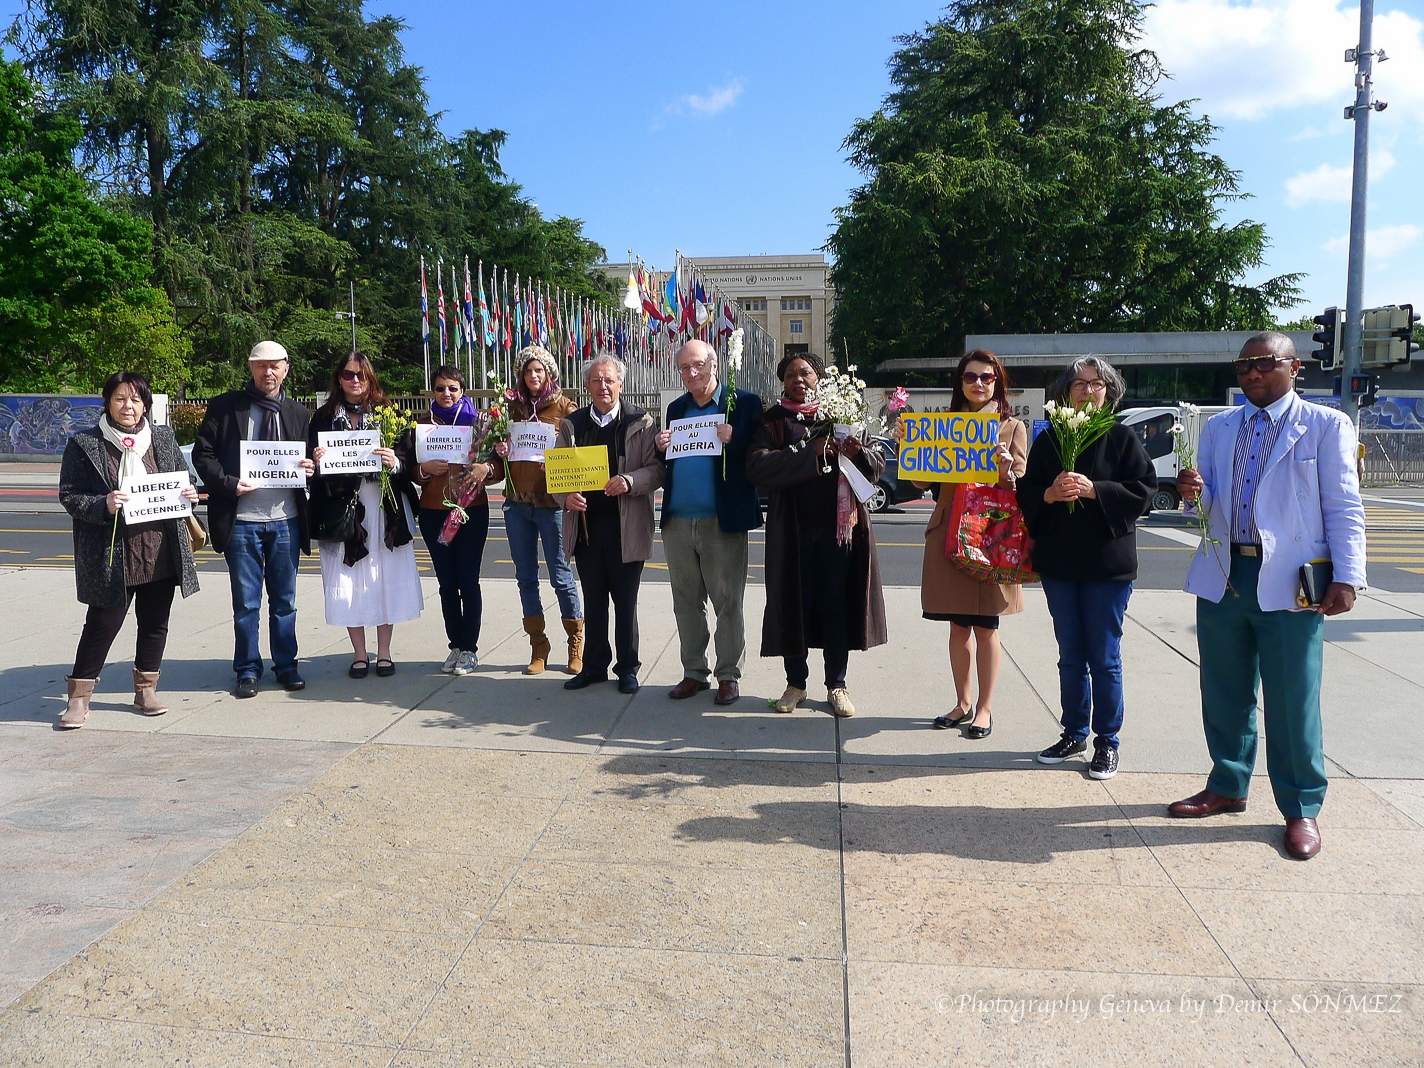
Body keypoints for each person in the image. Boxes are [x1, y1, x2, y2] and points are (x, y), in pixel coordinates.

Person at [1171, 332, 1366, 860]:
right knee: (1224, 690)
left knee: (1291, 697)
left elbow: (1344, 505)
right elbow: (1204, 507)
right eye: (1244, 366)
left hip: (1292, 579)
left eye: (1264, 363)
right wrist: (1192, 493)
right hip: (1225, 572)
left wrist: (1348, 576)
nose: (1253, 373)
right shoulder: (1220, 427)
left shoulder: (1326, 425)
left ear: (1294, 367)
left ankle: (1301, 807)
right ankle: (1229, 784)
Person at [1018, 356, 1156, 779]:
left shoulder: (1121, 437)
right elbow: (1027, 492)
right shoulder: (1051, 439)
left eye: (1097, 384)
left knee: (1104, 657)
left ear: (1109, 392)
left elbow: (1145, 491)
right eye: (1079, 384)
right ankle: (1074, 730)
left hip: (1106, 568)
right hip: (1061, 565)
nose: (1088, 390)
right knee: (1070, 655)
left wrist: (1096, 490)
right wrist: (1049, 495)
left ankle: (1107, 741)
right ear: (1065, 392)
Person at [57, 372, 202, 727]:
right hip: (113, 555)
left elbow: (182, 482)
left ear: (145, 406)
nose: (128, 406)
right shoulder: (84, 444)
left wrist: (190, 496)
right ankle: (79, 698)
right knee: (101, 626)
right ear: (107, 402)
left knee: (155, 624)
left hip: (160, 549)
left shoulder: (163, 438)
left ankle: (146, 689)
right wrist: (102, 504)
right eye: (121, 398)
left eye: (136, 400)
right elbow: (69, 494)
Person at [747, 352, 887, 717]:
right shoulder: (772, 422)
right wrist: (811, 452)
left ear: (819, 378)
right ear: (783, 382)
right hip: (792, 535)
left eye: (806, 372)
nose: (799, 379)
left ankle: (836, 685)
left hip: (840, 535)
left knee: (835, 607)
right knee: (794, 605)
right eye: (791, 374)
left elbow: (876, 465)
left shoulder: (842, 416)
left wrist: (857, 452)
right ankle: (796, 684)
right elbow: (758, 467)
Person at [192, 340, 315, 698]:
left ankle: (286, 666)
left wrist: (310, 467)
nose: (269, 372)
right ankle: (247, 669)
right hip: (241, 520)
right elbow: (203, 456)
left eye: (276, 365)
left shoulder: (297, 413)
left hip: (286, 519)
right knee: (246, 603)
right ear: (250, 368)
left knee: (285, 601)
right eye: (262, 366)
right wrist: (229, 484)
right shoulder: (225, 407)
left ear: (286, 368)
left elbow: (307, 461)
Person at [915, 351, 1027, 739]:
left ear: (998, 382)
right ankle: (962, 703)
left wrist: (1004, 468)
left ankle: (985, 707)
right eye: (970, 377)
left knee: (985, 627)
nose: (978, 383)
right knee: (957, 626)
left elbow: (1018, 486)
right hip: (949, 531)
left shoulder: (1011, 427)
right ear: (959, 382)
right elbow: (919, 483)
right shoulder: (942, 425)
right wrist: (908, 447)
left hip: (989, 536)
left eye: (987, 377)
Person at [653, 340, 765, 706]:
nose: (691, 373)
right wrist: (660, 444)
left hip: (722, 521)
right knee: (685, 602)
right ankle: (694, 672)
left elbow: (760, 455)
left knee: (727, 600)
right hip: (678, 521)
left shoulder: (743, 403)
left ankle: (729, 675)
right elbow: (669, 459)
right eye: (684, 368)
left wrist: (737, 439)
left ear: (714, 365)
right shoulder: (676, 408)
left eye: (697, 365)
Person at [308, 352, 426, 678]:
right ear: (338, 378)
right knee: (349, 579)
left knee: (382, 575)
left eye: (361, 375)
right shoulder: (323, 418)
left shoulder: (390, 414)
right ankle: (360, 654)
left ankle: (384, 652)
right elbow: (309, 468)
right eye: (348, 374)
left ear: (370, 377)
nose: (355, 380)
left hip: (384, 508)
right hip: (344, 511)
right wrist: (317, 460)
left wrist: (395, 462)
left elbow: (409, 462)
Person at [552, 354, 664, 694]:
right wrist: (566, 498)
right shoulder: (573, 424)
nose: (603, 386)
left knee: (626, 603)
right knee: (594, 599)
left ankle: (627, 668)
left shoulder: (640, 422)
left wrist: (630, 481)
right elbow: (556, 480)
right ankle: (594, 666)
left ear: (621, 384)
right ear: (587, 386)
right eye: (596, 380)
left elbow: (657, 470)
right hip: (586, 528)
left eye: (609, 380)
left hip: (626, 527)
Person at [493, 346, 583, 675]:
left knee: (561, 577)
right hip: (518, 504)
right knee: (526, 578)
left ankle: (575, 641)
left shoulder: (565, 407)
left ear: (550, 373)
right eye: (529, 371)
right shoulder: (510, 408)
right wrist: (500, 449)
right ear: (521, 374)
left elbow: (581, 452)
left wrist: (562, 447)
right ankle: (538, 644)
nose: (534, 376)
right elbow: (499, 459)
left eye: (540, 370)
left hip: (552, 505)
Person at [408, 363, 498, 676]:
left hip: (471, 510)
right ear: (433, 392)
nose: (446, 394)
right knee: (447, 582)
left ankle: (470, 649)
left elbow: (497, 466)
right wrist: (423, 470)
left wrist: (485, 469)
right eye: (440, 388)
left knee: (468, 580)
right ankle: (455, 646)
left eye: (453, 388)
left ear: (462, 391)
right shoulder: (422, 425)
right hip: (434, 512)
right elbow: (410, 470)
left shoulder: (479, 424)